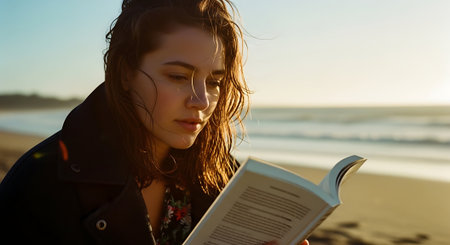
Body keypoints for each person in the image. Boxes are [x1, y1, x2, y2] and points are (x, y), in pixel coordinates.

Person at [0, 0, 308, 244]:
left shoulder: (219, 174)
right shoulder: (41, 184)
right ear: (124, 73)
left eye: (214, 82)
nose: (201, 100)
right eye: (178, 77)